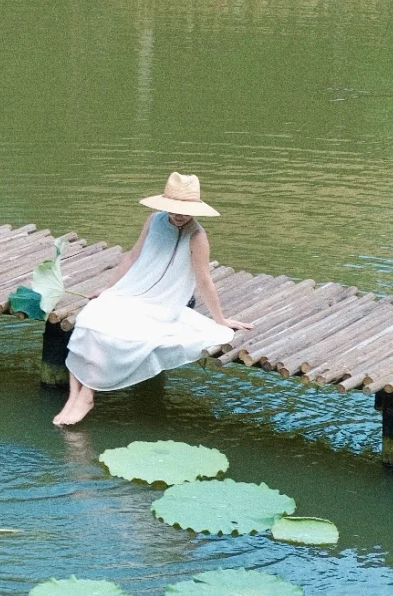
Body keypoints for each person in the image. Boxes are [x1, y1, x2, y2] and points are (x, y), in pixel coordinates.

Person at [54, 172, 253, 427]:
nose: (179, 214)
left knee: (118, 335)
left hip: (164, 302)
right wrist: (106, 288)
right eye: (174, 208)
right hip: (132, 291)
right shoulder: (153, 220)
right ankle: (73, 397)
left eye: (185, 209)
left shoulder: (197, 236)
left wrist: (220, 319)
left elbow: (204, 280)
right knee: (88, 320)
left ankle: (88, 396)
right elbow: (132, 256)